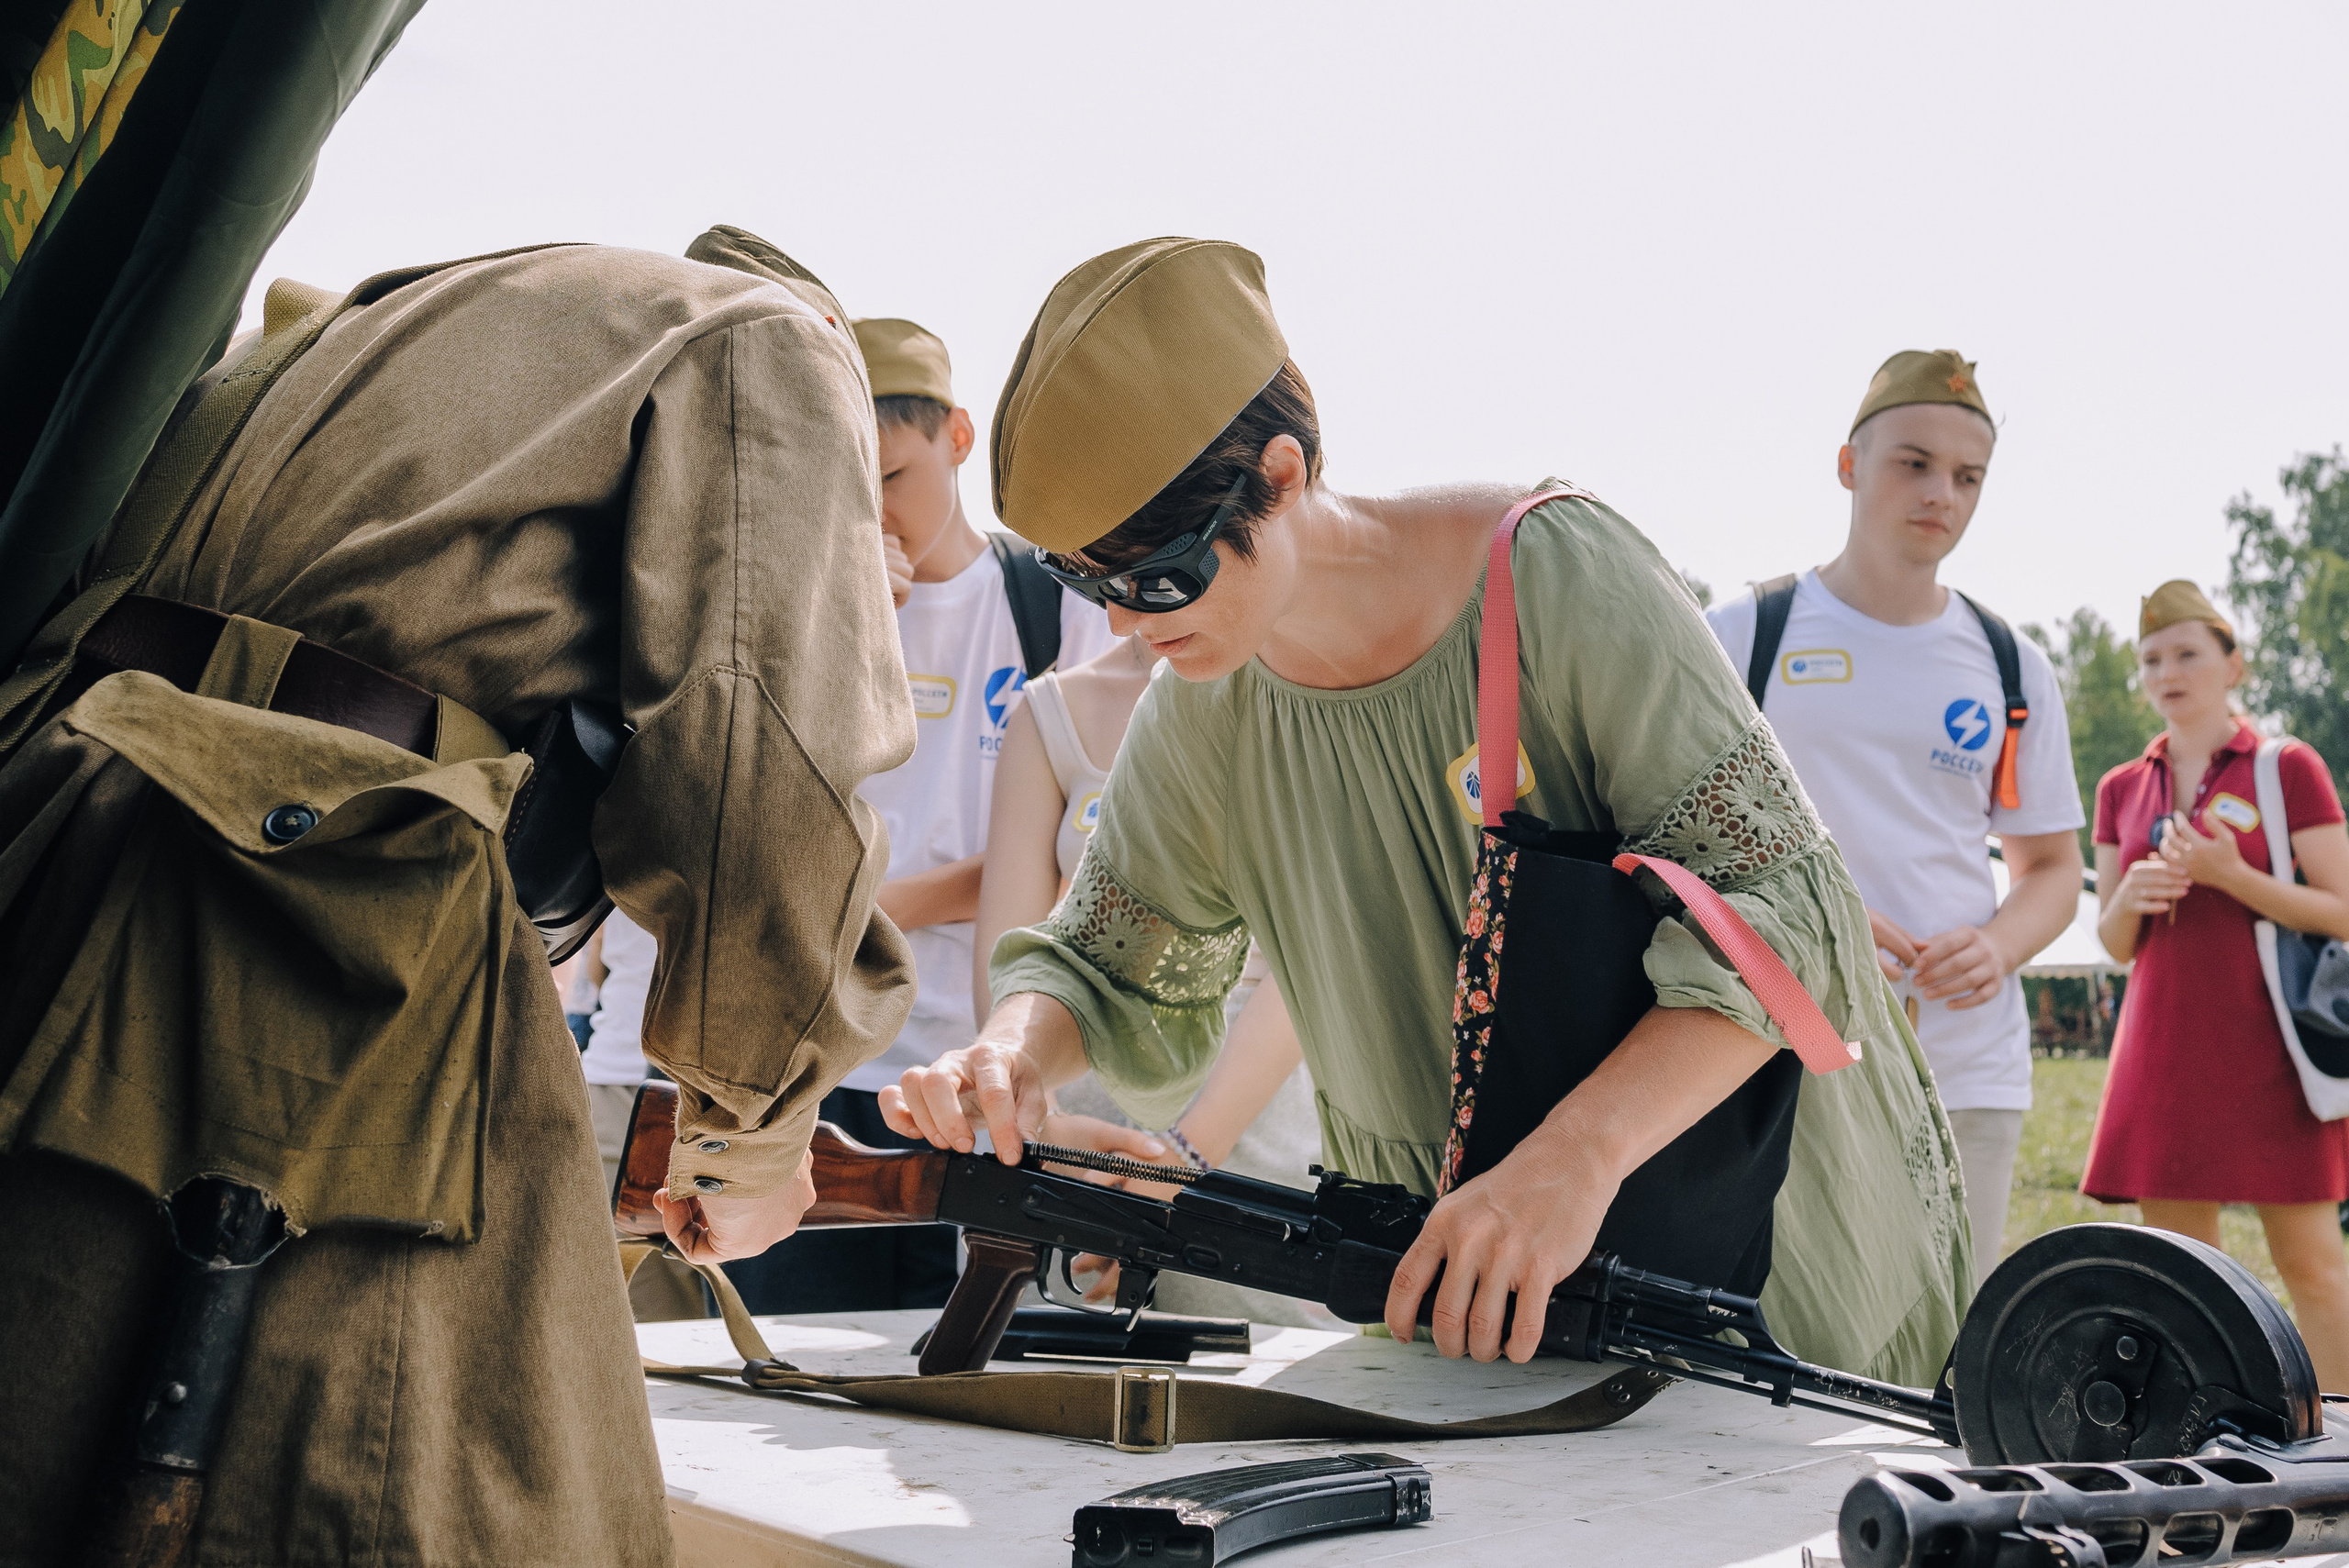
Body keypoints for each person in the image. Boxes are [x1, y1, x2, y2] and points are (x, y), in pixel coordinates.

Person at [886, 237, 1969, 1382]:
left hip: (1735, 1247)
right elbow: (1103, 955)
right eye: (1088, 583)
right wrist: (1007, 1056)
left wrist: (1574, 1155)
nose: (1124, 623)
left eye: (1159, 576)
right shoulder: (1203, 703)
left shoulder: (1554, 581)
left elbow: (1790, 907)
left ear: (1284, 476)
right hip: (1457, 1289)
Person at [0, 228, 911, 1564]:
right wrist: (753, 1132)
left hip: (66, 830)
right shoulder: (772, 345)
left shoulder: (423, 316)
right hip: (314, 930)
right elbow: (762, 779)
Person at [718, 317, 1121, 1315]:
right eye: (847, 486)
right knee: (800, 1371)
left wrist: (878, 907)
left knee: (969, 1383)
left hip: (988, 1074)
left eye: (892, 475)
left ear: (956, 436)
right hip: (817, 1066)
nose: (876, 511)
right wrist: (854, 633)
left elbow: (1093, 855)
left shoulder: (1054, 602)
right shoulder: (811, 614)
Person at [1707, 350, 2085, 1284]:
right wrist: (1804, 933)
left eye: (1967, 477)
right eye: (1912, 463)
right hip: (1771, 1051)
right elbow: (1668, 840)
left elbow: (2048, 869)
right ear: (1848, 464)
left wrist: (1995, 946)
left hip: (1963, 1060)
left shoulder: (2009, 663)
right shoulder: (1741, 633)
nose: (1940, 494)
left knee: (1950, 1338)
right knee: (1780, 1345)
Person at [974, 630, 1340, 1327]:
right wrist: (1042, 1132)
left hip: (1246, 1151)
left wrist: (1182, 1159)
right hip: (1066, 1159)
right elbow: (1009, 964)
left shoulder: (1311, 691)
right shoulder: (1050, 712)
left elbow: (1305, 968)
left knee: (1260, 1405)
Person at [2083, 580, 2349, 1388]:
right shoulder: (2121, 787)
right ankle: (2215, 1446)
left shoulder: (2285, 766)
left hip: (2271, 1050)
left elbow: (2342, 909)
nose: (2168, 669)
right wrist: (2129, 896)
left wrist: (2231, 876)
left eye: (2188, 652)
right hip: (2162, 1051)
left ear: (2233, 664)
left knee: (2311, 1267)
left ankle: (2341, 1441)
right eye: (2152, 657)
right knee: (2186, 1276)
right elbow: (2116, 942)